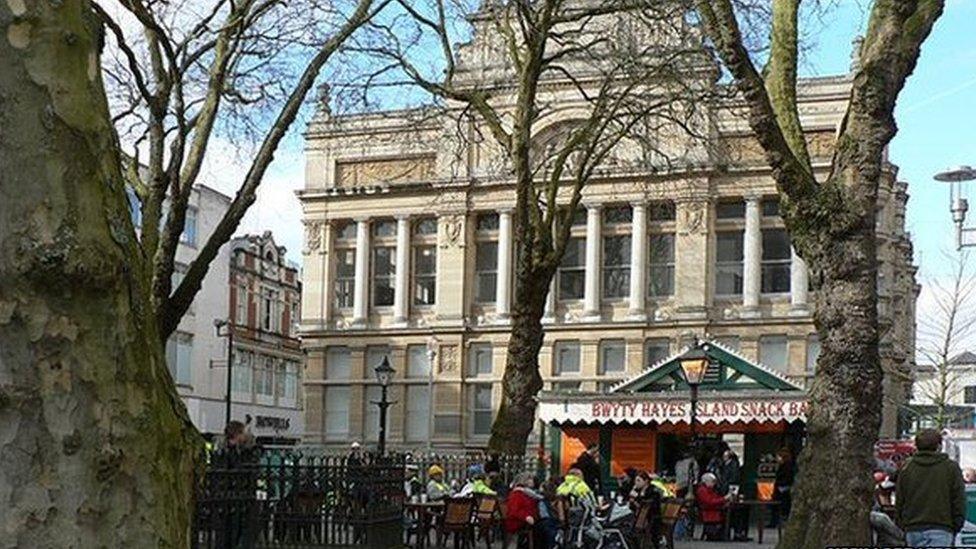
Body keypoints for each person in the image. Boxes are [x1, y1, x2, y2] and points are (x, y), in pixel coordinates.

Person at [895, 429, 965, 547]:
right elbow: (958, 499)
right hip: (942, 527)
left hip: (913, 528)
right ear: (939, 446)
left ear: (916, 446)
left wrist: (901, 522)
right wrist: (957, 523)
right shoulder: (950, 468)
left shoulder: (907, 468)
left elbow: (900, 498)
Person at [505, 473, 540, 547]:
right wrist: (526, 517)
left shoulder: (528, 493)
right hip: (517, 521)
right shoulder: (517, 494)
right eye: (529, 479)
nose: (532, 481)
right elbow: (514, 511)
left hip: (527, 520)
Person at [721, 449, 749, 541]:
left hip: (729, 491)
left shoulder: (732, 466)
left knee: (734, 512)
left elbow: (733, 479)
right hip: (728, 491)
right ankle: (736, 532)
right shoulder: (728, 465)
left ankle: (735, 532)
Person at [629, 471, 662, 549]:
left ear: (646, 481)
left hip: (652, 519)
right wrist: (632, 501)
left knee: (630, 528)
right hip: (640, 518)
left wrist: (637, 498)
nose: (636, 483)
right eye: (635, 481)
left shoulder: (653, 491)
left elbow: (649, 505)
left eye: (638, 480)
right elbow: (634, 507)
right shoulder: (638, 490)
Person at [695, 472, 730, 541]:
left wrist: (723, 502)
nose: (714, 483)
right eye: (713, 481)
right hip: (709, 510)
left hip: (713, 508)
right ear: (706, 481)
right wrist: (724, 499)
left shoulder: (710, 489)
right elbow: (709, 501)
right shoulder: (702, 490)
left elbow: (715, 498)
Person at [767, 448, 794, 528]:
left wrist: (780, 484)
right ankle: (775, 521)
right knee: (776, 507)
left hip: (782, 489)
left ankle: (775, 522)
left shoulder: (787, 466)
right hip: (781, 488)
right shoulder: (785, 465)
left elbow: (787, 477)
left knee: (778, 506)